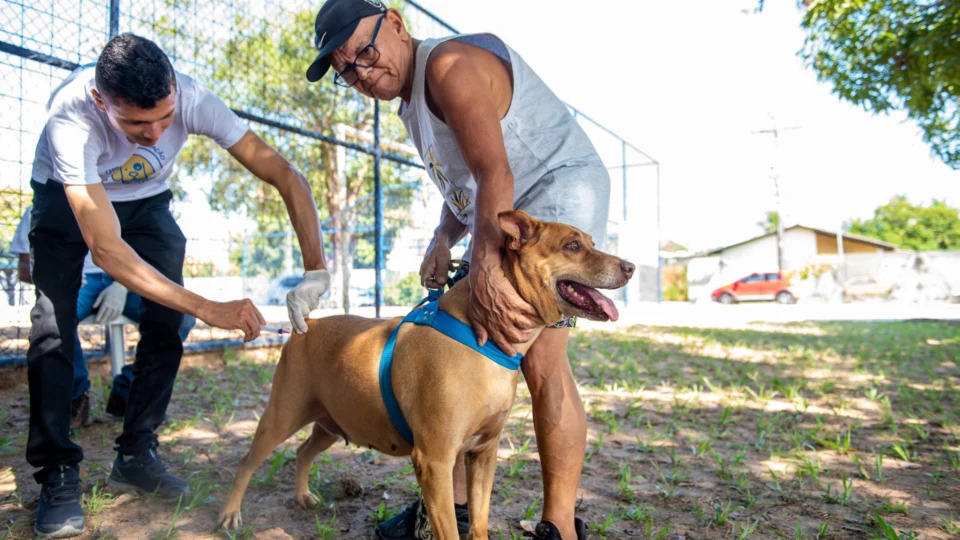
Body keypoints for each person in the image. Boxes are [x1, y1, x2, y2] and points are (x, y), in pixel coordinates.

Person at [307, 1, 610, 539]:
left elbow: (495, 170)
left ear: (395, 23)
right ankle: (455, 513)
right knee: (459, 343)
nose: (360, 73)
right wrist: (443, 239)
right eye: (345, 71)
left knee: (541, 357)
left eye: (364, 53)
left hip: (553, 193)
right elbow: (468, 184)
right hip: (504, 208)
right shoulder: (410, 103)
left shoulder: (447, 66)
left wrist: (488, 270)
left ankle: (560, 527)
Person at [27, 34, 330, 538]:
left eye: (165, 118)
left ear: (174, 91)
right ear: (102, 101)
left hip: (146, 200)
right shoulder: (71, 120)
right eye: (136, 124)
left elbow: (285, 174)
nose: (154, 134)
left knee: (170, 318)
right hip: (67, 196)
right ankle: (57, 470)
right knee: (52, 327)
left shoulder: (194, 98)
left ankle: (136, 453)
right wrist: (209, 307)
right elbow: (106, 249)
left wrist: (316, 269)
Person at [11, 207, 196, 428]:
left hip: (124, 277)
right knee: (53, 320)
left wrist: (122, 285)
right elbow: (24, 268)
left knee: (181, 317)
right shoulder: (41, 207)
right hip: (76, 279)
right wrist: (61, 276)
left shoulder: (122, 201)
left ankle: (127, 392)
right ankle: (76, 398)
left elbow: (146, 253)